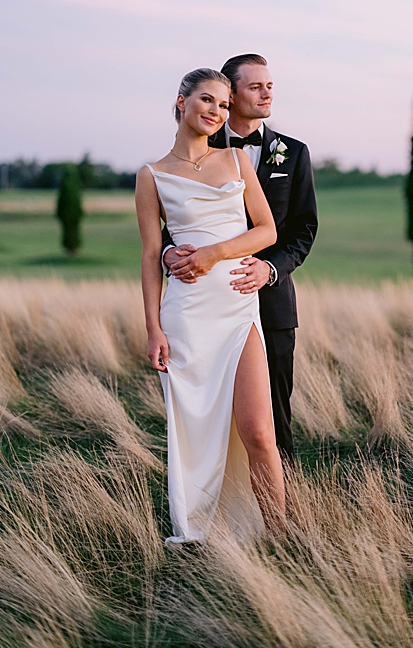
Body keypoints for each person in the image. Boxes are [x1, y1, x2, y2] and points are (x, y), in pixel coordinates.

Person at [135, 68, 286, 543]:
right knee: (197, 432)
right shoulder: (152, 175)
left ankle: (280, 537)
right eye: (206, 100)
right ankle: (205, 531)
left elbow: (267, 231)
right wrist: (153, 329)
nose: (216, 112)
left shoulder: (237, 160)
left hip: (239, 308)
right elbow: (148, 255)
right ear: (180, 102)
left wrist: (215, 253)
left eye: (223, 105)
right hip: (186, 316)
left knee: (258, 431)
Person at [164, 54, 318, 463]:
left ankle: (282, 504)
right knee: (209, 408)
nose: (266, 92)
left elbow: (304, 230)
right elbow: (172, 221)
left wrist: (270, 269)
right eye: (255, 87)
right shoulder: (201, 148)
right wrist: (168, 252)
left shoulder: (295, 153)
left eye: (269, 85)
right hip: (207, 301)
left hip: (272, 301)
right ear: (230, 94)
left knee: (274, 411)